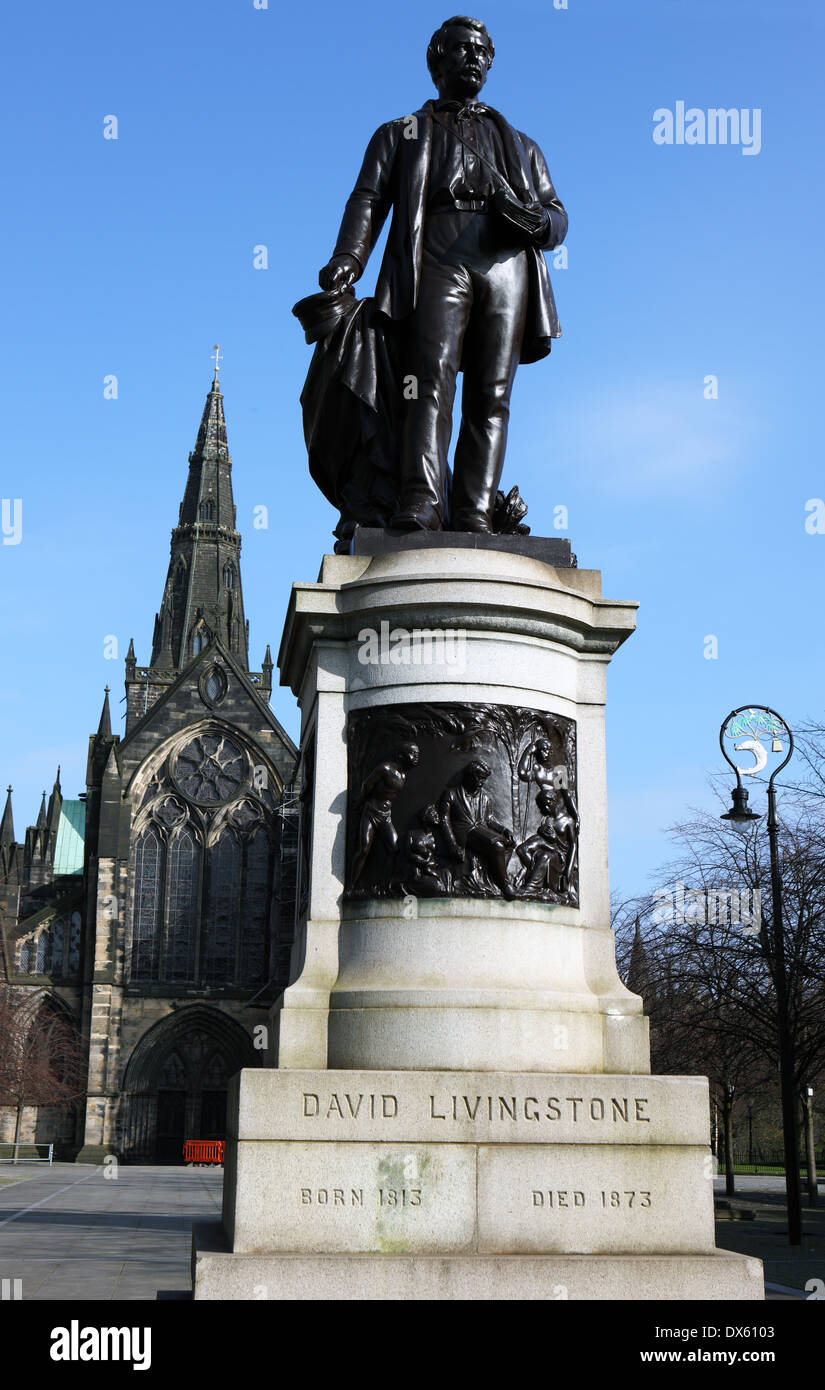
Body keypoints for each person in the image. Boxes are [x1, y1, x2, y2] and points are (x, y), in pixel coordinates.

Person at [318, 15, 567, 534]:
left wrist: (537, 222)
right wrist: (349, 258)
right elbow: (368, 197)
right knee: (427, 381)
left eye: (482, 51)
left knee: (491, 393)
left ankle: (474, 512)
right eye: (462, 49)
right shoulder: (401, 132)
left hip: (505, 263)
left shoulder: (521, 145)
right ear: (437, 59)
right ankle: (422, 502)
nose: (474, 58)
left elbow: (556, 215)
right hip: (438, 253)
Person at [439, 759, 515, 899]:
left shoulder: (484, 797)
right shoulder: (451, 794)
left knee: (509, 843)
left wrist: (504, 830)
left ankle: (494, 877)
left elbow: (489, 820)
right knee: (497, 845)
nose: (481, 782)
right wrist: (453, 845)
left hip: (480, 830)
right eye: (479, 777)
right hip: (465, 832)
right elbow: (444, 820)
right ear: (469, 775)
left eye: (484, 779)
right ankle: (505, 884)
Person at [351, 743, 419, 884]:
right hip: (371, 811)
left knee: (394, 849)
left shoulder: (403, 775)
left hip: (385, 815)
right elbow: (366, 785)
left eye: (417, 753)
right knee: (364, 848)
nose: (416, 756)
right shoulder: (385, 769)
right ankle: (352, 884)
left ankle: (384, 883)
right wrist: (361, 802)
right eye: (413, 753)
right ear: (401, 755)